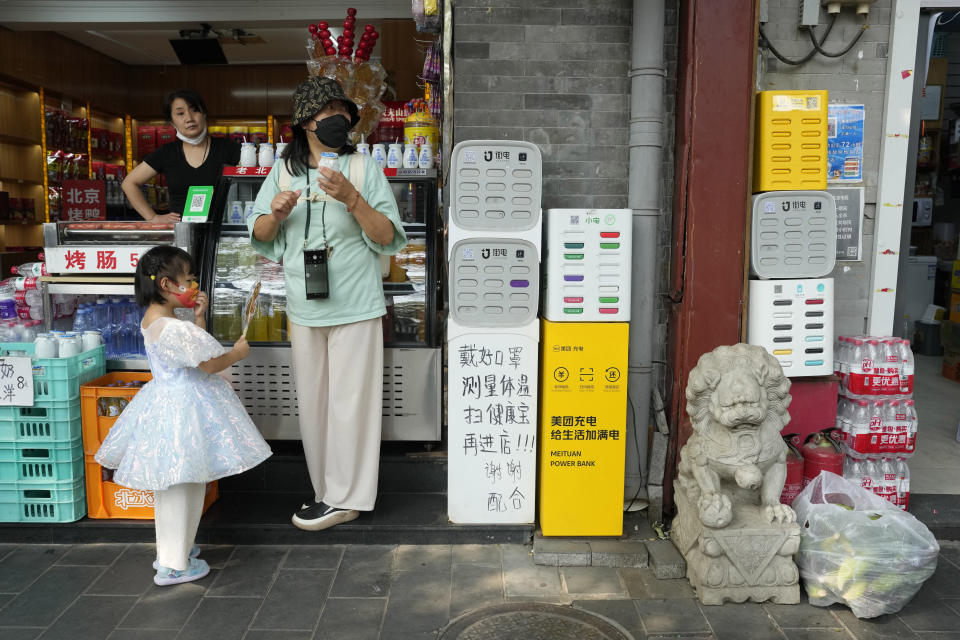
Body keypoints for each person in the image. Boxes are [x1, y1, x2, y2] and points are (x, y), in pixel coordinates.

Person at [248, 76, 407, 531]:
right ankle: (325, 491)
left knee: (351, 402)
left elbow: (387, 237)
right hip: (305, 304)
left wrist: (352, 199)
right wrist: (274, 214)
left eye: (343, 112)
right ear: (304, 123)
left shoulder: (361, 168)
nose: (337, 120)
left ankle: (348, 497)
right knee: (314, 403)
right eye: (327, 113)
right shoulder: (283, 171)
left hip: (356, 303)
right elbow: (259, 235)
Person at [95, 245, 272, 586]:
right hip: (186, 410)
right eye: (188, 279)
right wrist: (236, 353)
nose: (193, 285)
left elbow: (193, 351)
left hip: (166, 406)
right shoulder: (176, 330)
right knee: (186, 487)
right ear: (165, 284)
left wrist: (200, 319)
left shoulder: (156, 320)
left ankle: (172, 551)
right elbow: (207, 363)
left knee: (173, 486)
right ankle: (174, 565)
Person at [122, 89, 241, 221]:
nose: (189, 118)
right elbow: (129, 183)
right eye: (180, 113)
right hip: (180, 232)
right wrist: (153, 218)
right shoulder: (166, 152)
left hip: (223, 229)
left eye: (195, 110)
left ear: (204, 114)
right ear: (172, 122)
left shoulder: (229, 148)